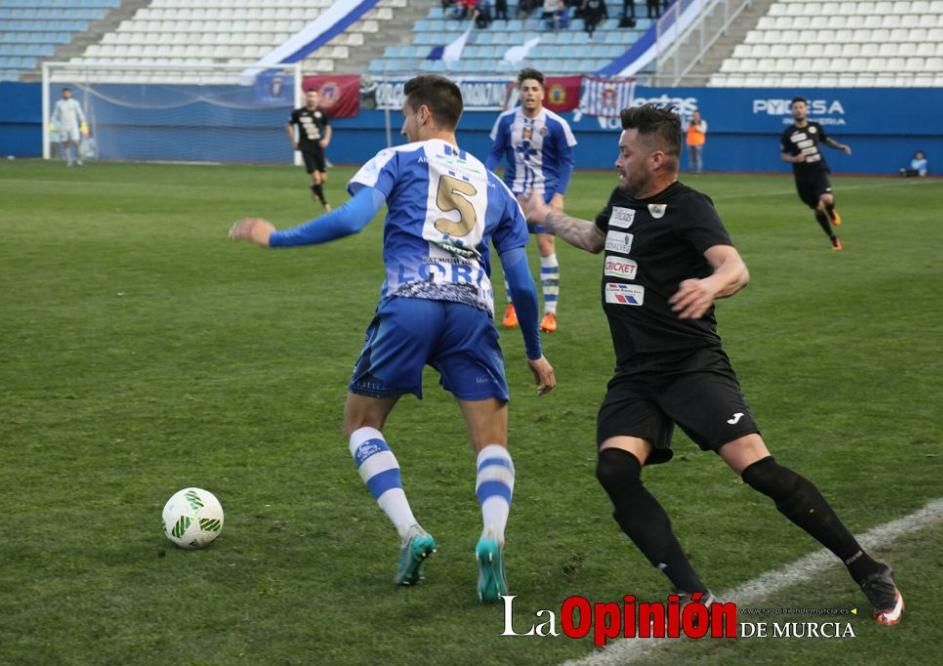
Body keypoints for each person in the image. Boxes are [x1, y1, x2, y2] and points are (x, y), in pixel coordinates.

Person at [519, 103, 903, 626]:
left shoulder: (689, 206)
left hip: (691, 365)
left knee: (760, 472)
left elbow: (735, 267)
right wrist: (544, 216)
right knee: (614, 469)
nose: (616, 161)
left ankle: (869, 568)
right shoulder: (624, 201)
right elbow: (594, 238)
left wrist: (710, 284)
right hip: (636, 372)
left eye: (624, 152)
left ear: (656, 159)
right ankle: (691, 591)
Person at [231, 75, 556, 602]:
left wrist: (277, 237)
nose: (405, 124)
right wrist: (535, 354)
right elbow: (520, 280)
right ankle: (492, 537)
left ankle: (411, 531)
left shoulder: (398, 159)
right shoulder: (494, 186)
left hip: (410, 303)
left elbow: (353, 219)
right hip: (473, 311)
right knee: (491, 441)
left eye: (407, 115)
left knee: (361, 422)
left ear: (424, 114)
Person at [487, 68, 577, 334]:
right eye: (525, 89)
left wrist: (559, 195)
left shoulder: (556, 124)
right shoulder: (505, 121)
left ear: (542, 92)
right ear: (519, 91)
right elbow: (495, 153)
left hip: (544, 194)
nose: (530, 93)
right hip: (513, 193)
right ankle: (512, 305)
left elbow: (566, 162)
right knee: (510, 246)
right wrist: (484, 176)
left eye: (534, 89)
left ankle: (550, 313)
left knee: (545, 243)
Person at [780, 97, 851, 251]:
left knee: (827, 198)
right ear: (792, 111)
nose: (798, 110)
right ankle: (833, 237)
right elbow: (783, 155)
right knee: (818, 208)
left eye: (801, 107)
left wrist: (840, 147)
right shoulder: (788, 133)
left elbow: (825, 140)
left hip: (818, 169)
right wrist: (794, 158)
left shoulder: (815, 127)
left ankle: (831, 210)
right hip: (802, 176)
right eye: (795, 107)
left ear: (806, 109)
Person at [287, 89, 333, 212]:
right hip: (305, 147)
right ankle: (325, 204)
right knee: (317, 178)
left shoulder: (321, 113)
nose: (311, 98)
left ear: (317, 99)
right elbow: (289, 125)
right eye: (309, 96)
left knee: (323, 178)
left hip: (318, 147)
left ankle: (314, 188)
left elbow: (328, 127)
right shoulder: (298, 113)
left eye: (313, 96)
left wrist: (326, 139)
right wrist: (293, 141)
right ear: (306, 98)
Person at [50, 87, 87, 167]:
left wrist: (83, 124)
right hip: (63, 126)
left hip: (73, 125)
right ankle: (69, 161)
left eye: (67, 93)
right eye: (64, 93)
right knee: (66, 143)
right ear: (62, 94)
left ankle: (79, 159)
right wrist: (52, 124)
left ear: (70, 94)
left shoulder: (75, 103)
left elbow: (80, 114)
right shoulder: (59, 103)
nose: (66, 94)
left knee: (76, 141)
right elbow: (55, 114)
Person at [685, 109, 707, 174]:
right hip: (690, 142)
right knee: (691, 158)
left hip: (698, 143)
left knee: (698, 157)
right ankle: (691, 170)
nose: (695, 116)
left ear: (699, 115)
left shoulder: (702, 122)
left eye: (697, 115)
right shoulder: (690, 122)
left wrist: (696, 126)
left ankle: (698, 171)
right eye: (694, 115)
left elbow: (703, 130)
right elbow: (686, 129)